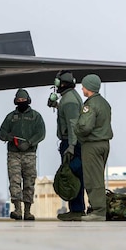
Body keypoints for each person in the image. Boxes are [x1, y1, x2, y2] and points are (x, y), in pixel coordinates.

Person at [0, 89, 46, 220]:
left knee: (29, 182)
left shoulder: (36, 117)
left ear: (28, 100)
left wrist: (30, 142)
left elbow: (41, 133)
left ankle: (28, 211)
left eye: (23, 100)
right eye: (19, 101)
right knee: (14, 181)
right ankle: (17, 209)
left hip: (29, 154)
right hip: (14, 154)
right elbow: (1, 133)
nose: (21, 102)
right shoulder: (10, 117)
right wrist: (9, 137)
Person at [74, 74, 113, 222]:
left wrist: (76, 128)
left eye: (83, 86)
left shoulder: (90, 105)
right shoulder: (104, 103)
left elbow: (85, 126)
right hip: (104, 144)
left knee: (92, 179)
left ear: (89, 87)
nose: (82, 88)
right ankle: (99, 209)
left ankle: (98, 211)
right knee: (98, 176)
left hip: (92, 145)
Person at [52, 71, 86, 221]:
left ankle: (77, 209)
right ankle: (76, 208)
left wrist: (71, 146)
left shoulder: (70, 100)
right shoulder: (69, 97)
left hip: (71, 142)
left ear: (61, 83)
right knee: (73, 175)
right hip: (72, 141)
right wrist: (57, 106)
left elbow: (73, 125)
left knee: (72, 176)